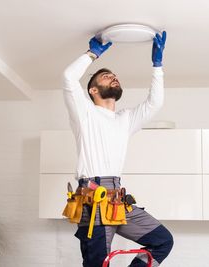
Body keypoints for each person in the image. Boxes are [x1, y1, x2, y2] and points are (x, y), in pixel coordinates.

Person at [62, 31, 173, 267]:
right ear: (92, 90)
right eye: (105, 76)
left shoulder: (126, 119)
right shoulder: (84, 114)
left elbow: (155, 103)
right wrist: (92, 54)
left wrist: (157, 66)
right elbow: (69, 77)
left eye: (114, 76)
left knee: (163, 241)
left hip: (118, 200)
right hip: (93, 199)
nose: (113, 77)